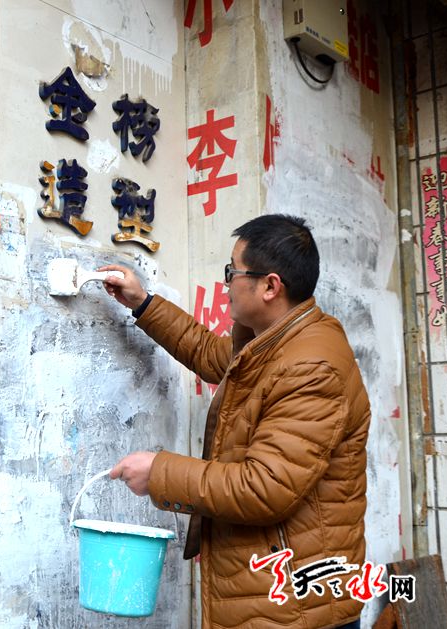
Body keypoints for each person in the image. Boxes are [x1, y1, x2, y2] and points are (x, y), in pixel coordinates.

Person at [100, 214, 370, 629]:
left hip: (295, 610)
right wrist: (143, 303)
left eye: (233, 272)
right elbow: (210, 354)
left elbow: (265, 487)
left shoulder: (310, 367)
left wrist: (159, 473)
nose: (226, 283)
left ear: (270, 286)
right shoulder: (278, 340)